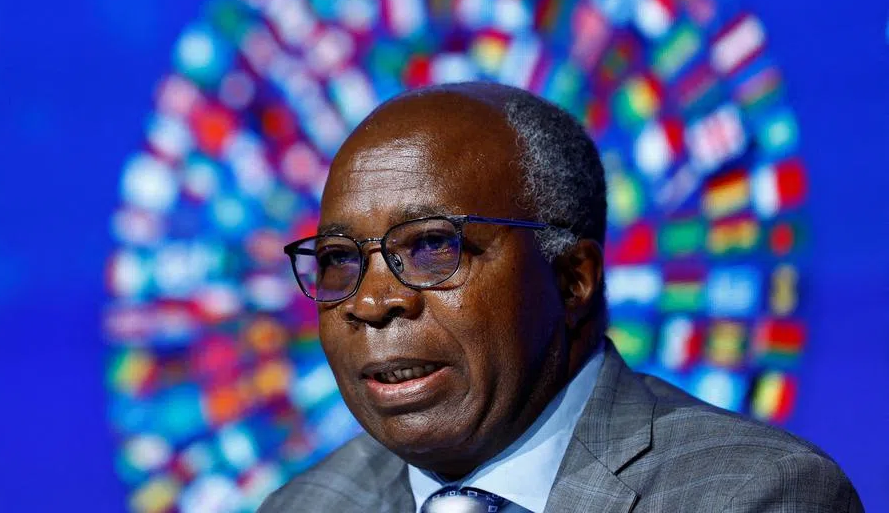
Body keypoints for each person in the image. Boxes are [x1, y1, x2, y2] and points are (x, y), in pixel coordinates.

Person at [260, 82, 862, 513]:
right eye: (339, 259)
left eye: (431, 247)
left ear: (573, 278)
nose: (370, 303)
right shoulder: (305, 503)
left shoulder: (755, 495)